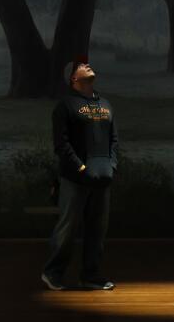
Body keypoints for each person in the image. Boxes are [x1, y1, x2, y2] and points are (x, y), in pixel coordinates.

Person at [40, 56, 118, 291]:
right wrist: (81, 168)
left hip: (102, 178)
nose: (88, 66)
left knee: (97, 230)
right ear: (74, 78)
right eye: (82, 66)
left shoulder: (105, 105)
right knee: (67, 227)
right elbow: (61, 145)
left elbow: (114, 140)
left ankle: (91, 276)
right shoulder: (65, 106)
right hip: (75, 179)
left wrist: (111, 165)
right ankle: (52, 273)